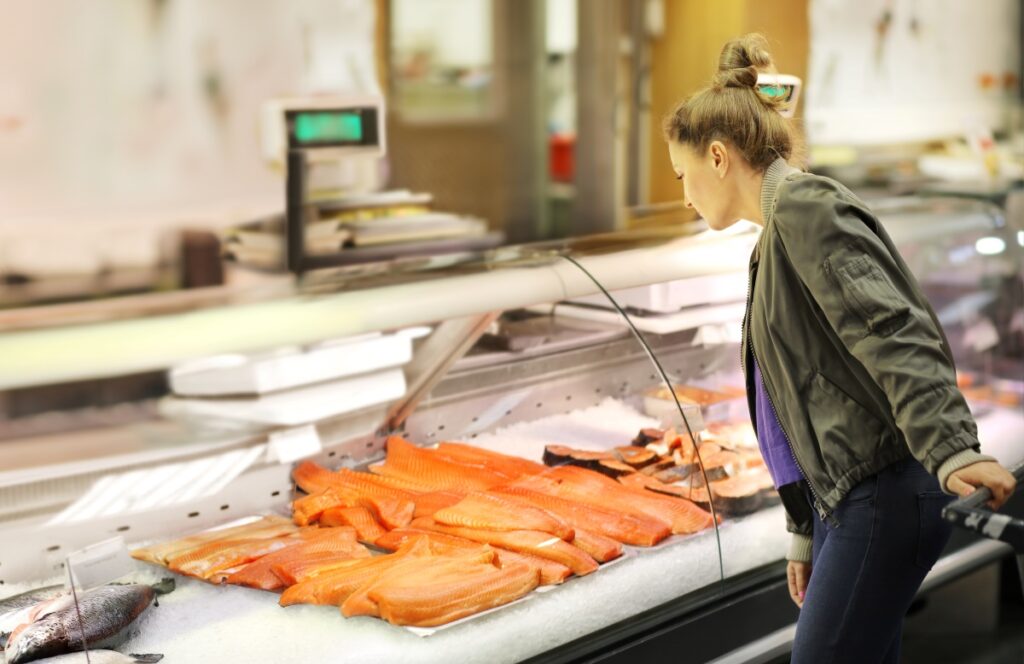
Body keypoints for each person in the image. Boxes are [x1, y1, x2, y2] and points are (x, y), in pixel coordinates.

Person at [662, 34, 1017, 663]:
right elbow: (789, 403)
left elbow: (894, 333)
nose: (684, 195)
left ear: (717, 157)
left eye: (683, 174)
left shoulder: (806, 208)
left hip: (886, 489)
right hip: (852, 495)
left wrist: (952, 448)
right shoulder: (772, 235)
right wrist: (803, 527)